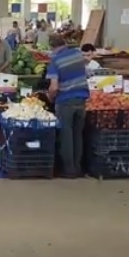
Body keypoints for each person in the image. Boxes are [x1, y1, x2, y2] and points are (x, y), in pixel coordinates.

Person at [46, 34, 89, 177]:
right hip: (82, 98)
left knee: (66, 135)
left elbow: (53, 87)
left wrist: (50, 97)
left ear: (52, 47)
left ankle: (69, 170)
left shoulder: (55, 61)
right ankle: (78, 167)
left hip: (65, 100)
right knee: (78, 134)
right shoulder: (78, 54)